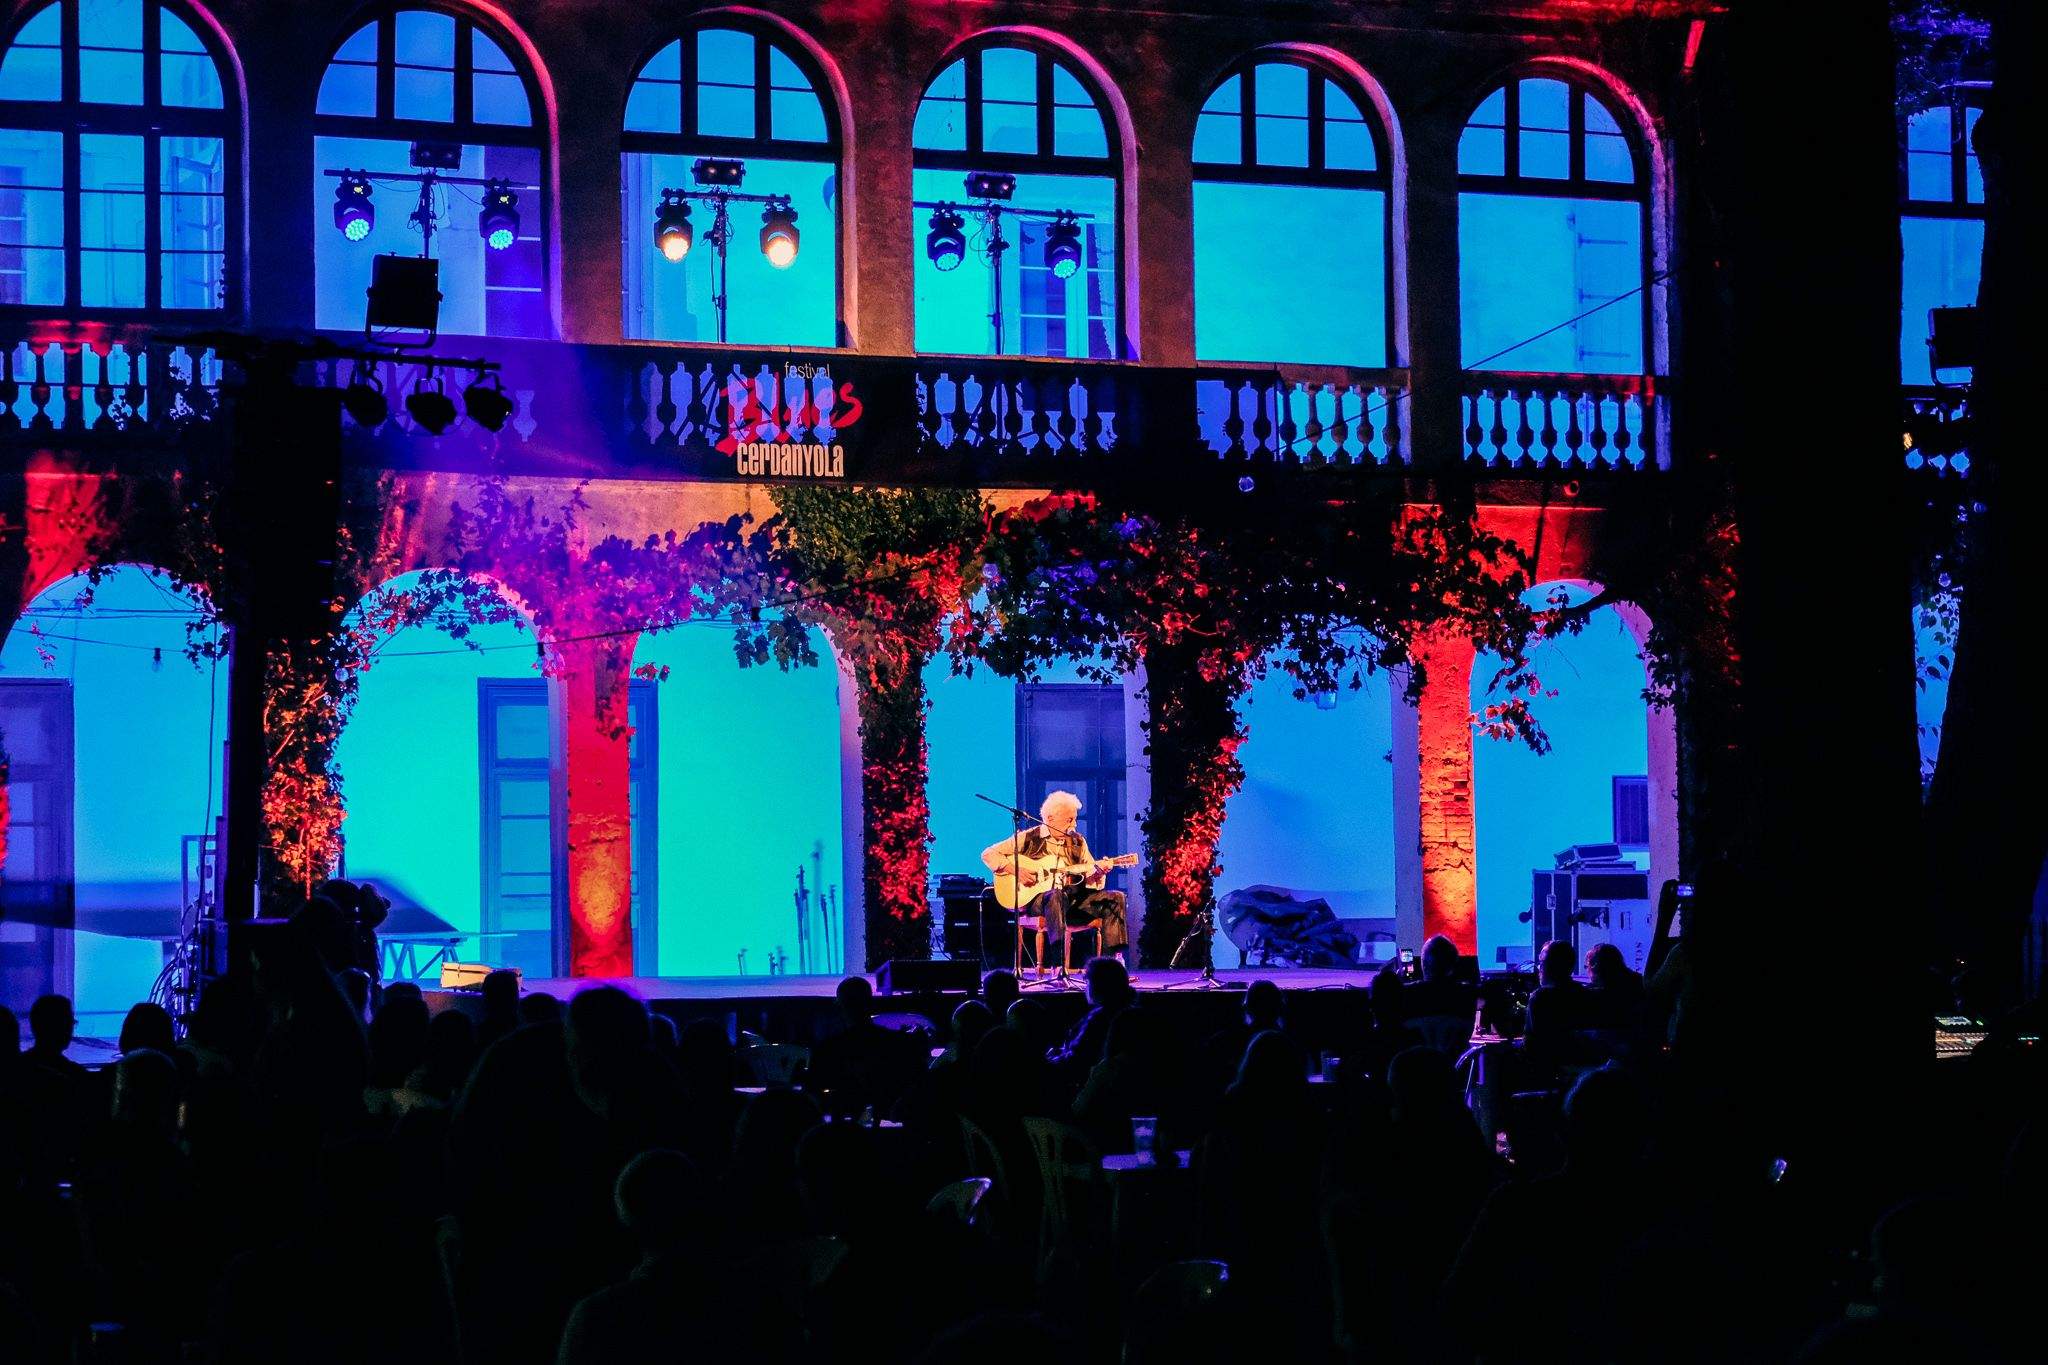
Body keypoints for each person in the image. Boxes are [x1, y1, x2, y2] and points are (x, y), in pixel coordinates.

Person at [981, 791, 1129, 969]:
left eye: (1075, 819)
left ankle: (1110, 965)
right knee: (1055, 896)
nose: (1074, 824)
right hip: (1038, 901)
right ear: (1050, 819)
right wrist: (1016, 870)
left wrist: (1098, 873)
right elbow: (988, 853)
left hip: (1073, 902)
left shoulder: (1077, 842)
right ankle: (1058, 967)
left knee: (1115, 897)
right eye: (1069, 819)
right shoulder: (1029, 837)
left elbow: (1089, 876)